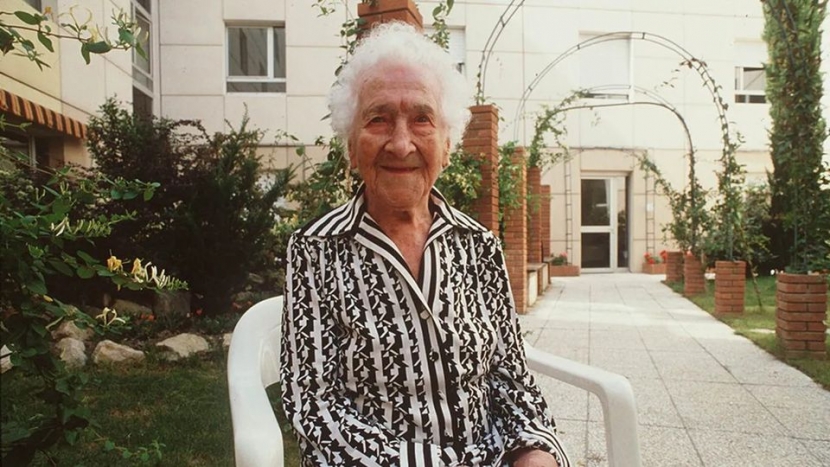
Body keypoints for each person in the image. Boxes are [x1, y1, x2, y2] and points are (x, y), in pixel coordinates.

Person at [280, 21, 570, 467]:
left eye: (422, 119)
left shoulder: (480, 246)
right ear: (352, 147)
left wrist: (536, 450)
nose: (401, 144)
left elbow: (511, 379)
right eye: (378, 119)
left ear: (447, 145)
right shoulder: (315, 250)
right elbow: (315, 406)